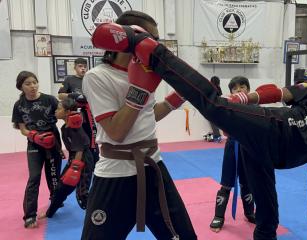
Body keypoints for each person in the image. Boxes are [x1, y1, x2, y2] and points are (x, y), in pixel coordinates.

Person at [91, 23, 307, 240]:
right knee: (214, 105)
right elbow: (276, 93)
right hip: (268, 127)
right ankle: (152, 50)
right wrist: (241, 99)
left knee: (268, 217)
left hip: (265, 157)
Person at [81, 11, 196, 240]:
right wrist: (139, 92)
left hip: (154, 167)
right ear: (127, 37)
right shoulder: (97, 77)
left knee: (184, 236)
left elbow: (147, 116)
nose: (156, 46)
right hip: (116, 174)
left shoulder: (145, 70)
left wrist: (176, 99)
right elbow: (116, 131)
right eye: (152, 38)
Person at [12, 71, 63, 228]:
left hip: (53, 141)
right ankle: (30, 215)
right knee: (34, 177)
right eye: (28, 83)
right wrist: (34, 136)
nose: (33, 86)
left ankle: (54, 203)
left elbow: (62, 114)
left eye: (34, 82)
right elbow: (23, 129)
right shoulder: (19, 105)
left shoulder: (49, 99)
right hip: (34, 145)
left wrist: (70, 108)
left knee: (53, 176)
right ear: (21, 87)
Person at [210, 76, 255, 232]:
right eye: (235, 89)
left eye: (242, 87)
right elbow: (223, 127)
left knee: (247, 183)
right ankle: (219, 216)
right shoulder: (228, 106)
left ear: (248, 90)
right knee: (227, 182)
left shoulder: (254, 106)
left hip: (249, 148)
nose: (239, 90)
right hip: (232, 146)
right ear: (231, 92)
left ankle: (250, 212)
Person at [39, 98, 94, 218]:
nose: (55, 111)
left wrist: (75, 168)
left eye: (59, 109)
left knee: (82, 194)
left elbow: (81, 148)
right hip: (75, 158)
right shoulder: (67, 125)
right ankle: (50, 213)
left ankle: (100, 216)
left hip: (82, 159)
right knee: (61, 188)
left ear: (67, 111)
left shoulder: (74, 126)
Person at [58, 57, 99, 208]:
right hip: (77, 122)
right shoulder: (69, 79)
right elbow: (61, 95)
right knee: (79, 158)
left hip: (91, 119)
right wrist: (74, 97)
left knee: (93, 158)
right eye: (80, 66)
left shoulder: (89, 79)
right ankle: (69, 192)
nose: (83, 69)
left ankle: (90, 193)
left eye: (84, 66)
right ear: (75, 67)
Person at [204, 76, 223, 142]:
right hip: (218, 107)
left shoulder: (210, 88)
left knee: (213, 123)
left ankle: (217, 136)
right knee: (214, 123)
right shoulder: (218, 88)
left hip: (212, 108)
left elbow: (209, 98)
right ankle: (214, 136)